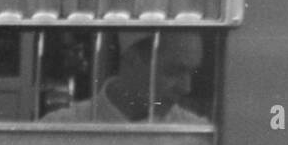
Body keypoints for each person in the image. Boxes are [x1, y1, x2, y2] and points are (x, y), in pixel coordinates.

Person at [42, 32, 207, 124]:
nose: (186, 87)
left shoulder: (195, 132)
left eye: (191, 73)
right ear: (133, 61)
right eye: (173, 71)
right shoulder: (61, 128)